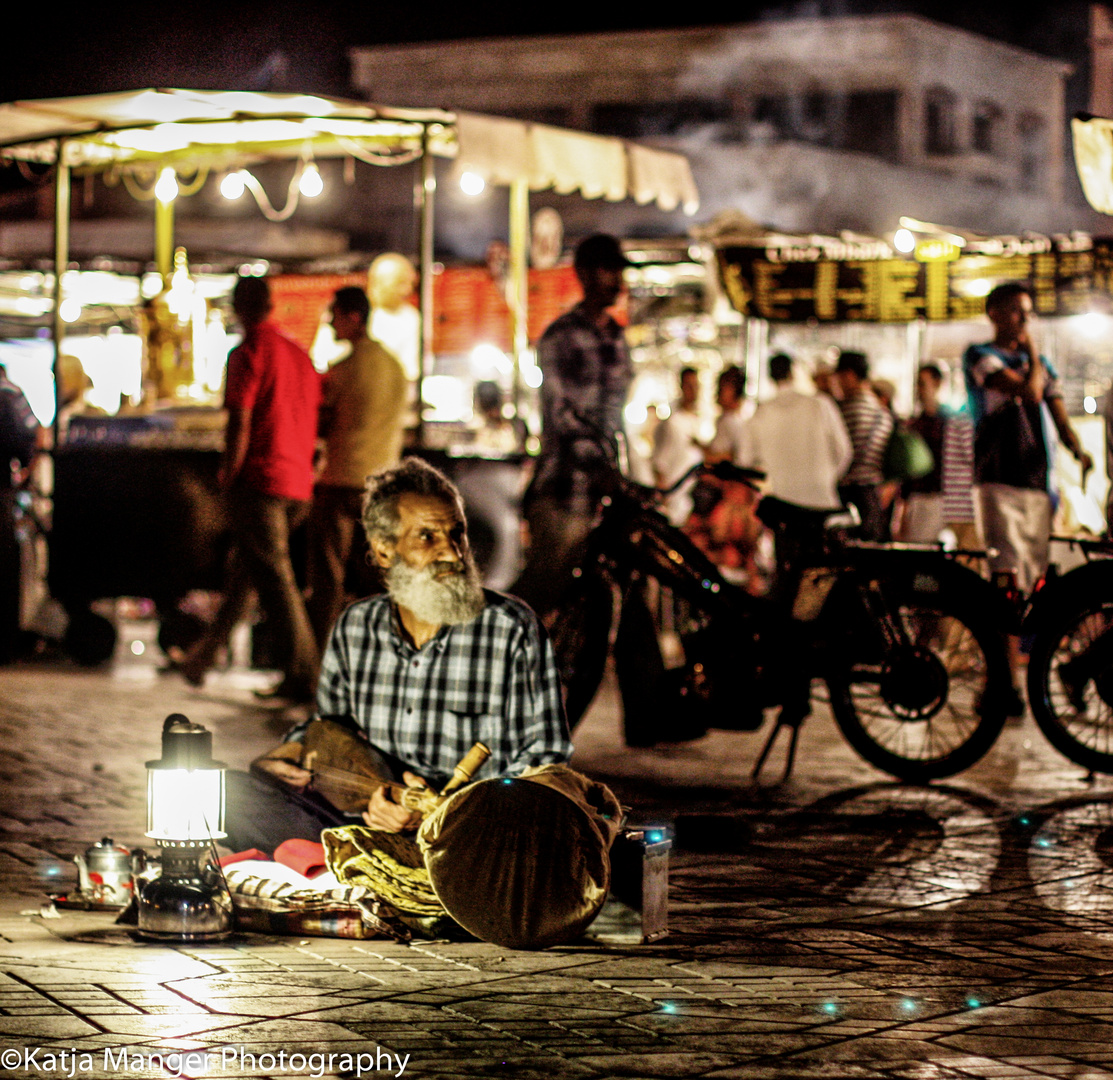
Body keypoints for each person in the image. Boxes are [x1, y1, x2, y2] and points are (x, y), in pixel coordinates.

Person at [223, 457, 571, 853]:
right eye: (427, 538)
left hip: (462, 836)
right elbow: (331, 726)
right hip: (362, 820)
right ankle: (358, 863)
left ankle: (352, 868)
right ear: (384, 551)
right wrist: (288, 753)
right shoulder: (356, 626)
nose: (452, 554)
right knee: (226, 795)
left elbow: (547, 759)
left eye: (456, 534)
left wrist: (439, 813)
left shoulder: (512, 629)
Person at [179, 276, 321, 702]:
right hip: (299, 482)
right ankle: (202, 659)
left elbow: (239, 420)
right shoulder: (299, 355)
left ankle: (307, 675)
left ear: (238, 308)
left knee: (275, 579)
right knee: (249, 572)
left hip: (263, 480)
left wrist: (228, 473)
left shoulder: (247, 353)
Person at [512, 233, 632, 616]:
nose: (617, 281)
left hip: (605, 495)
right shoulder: (560, 336)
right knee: (545, 590)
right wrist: (601, 465)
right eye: (607, 271)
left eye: (618, 271)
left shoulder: (618, 338)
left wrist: (622, 472)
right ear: (584, 274)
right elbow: (560, 414)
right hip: (563, 489)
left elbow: (616, 419)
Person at [964, 281, 1092, 594]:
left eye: (1028, 314)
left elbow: (1061, 421)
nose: (1024, 321)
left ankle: (1029, 642)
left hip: (1035, 481)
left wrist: (1079, 451)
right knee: (1006, 571)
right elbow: (1031, 393)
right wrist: (1033, 353)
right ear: (993, 314)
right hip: (998, 479)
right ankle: (1005, 642)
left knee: (1035, 572)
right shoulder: (980, 356)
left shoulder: (1041, 367)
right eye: (1016, 312)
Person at [306, 286, 408, 652]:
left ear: (352, 317)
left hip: (341, 481)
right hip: (382, 486)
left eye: (334, 315)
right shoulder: (395, 368)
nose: (330, 323)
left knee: (328, 581)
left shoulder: (342, 371)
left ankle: (317, 662)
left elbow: (320, 423)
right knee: (382, 581)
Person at [745, 353, 851, 511]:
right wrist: (827, 478)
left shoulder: (760, 413)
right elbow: (844, 451)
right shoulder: (820, 405)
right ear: (792, 373)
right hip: (822, 500)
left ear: (770, 377)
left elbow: (746, 459)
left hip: (782, 506)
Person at [0, 367, 38, 663]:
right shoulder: (10, 393)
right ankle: (6, 643)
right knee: (4, 567)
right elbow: (27, 440)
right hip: (2, 490)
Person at [834, 350, 893, 541]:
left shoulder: (847, 408)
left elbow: (840, 453)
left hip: (849, 491)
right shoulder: (881, 410)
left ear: (850, 375)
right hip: (874, 492)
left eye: (840, 377)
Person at [651, 366, 703, 525]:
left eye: (696, 385)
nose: (693, 390)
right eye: (688, 385)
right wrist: (663, 499)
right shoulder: (673, 423)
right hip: (675, 503)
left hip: (693, 502)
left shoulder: (700, 421)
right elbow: (660, 464)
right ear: (681, 387)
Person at [368, 253, 420, 384]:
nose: (407, 290)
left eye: (410, 283)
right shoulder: (349, 314)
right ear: (378, 282)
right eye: (400, 283)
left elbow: (411, 370)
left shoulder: (411, 318)